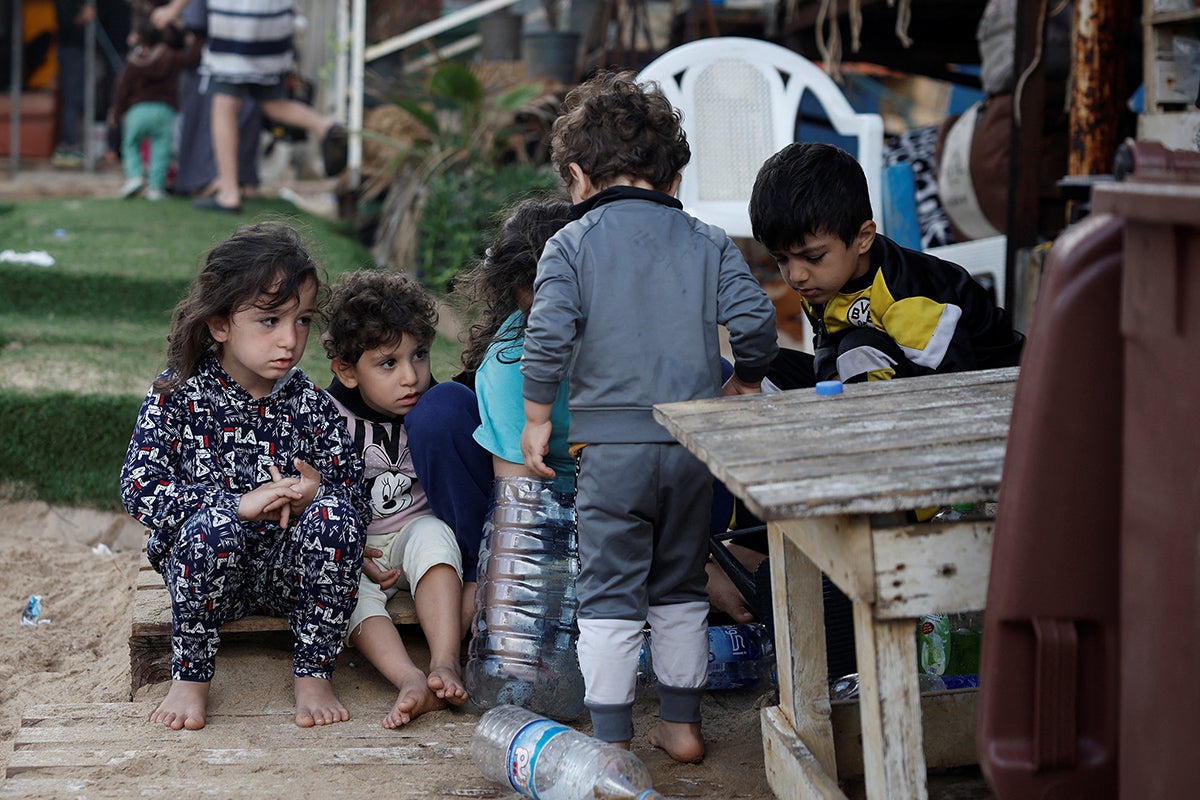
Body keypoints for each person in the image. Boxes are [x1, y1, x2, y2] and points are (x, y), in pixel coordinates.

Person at [518, 71, 779, 763]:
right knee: (680, 584)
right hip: (690, 449)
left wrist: (539, 416)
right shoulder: (707, 240)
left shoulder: (570, 247)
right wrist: (745, 382)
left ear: (577, 176)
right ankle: (685, 726)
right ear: (672, 178)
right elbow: (755, 323)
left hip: (613, 453)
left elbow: (546, 338)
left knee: (608, 591)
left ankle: (611, 736)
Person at [119, 221, 369, 731]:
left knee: (338, 515)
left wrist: (316, 493)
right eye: (269, 320)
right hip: (206, 577)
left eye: (301, 321)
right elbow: (139, 488)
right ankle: (189, 678)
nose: (289, 339)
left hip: (288, 575)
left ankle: (315, 675)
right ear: (218, 325)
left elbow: (355, 497)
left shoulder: (311, 404)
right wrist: (235, 504)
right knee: (215, 529)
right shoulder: (177, 394)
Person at [321, 269, 469, 728]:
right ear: (347, 370)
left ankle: (445, 661)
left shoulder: (433, 409)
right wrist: (348, 545)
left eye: (419, 355)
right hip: (358, 546)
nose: (411, 377)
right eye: (388, 363)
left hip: (412, 535)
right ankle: (409, 678)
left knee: (436, 537)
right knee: (347, 591)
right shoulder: (327, 416)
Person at [749, 141, 1024, 385]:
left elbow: (954, 380)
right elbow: (827, 340)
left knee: (858, 349)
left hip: (992, 387)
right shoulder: (821, 283)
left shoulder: (906, 295)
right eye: (781, 259)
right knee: (763, 366)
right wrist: (830, 372)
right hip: (889, 373)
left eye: (813, 257)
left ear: (863, 238)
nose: (796, 275)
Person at [150, 0, 347, 213]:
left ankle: (229, 193)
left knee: (223, 105)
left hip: (236, 25)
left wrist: (173, 9)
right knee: (271, 101)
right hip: (273, 24)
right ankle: (324, 126)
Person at [110, 16, 201, 200]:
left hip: (138, 110)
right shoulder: (170, 57)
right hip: (164, 110)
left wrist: (116, 112)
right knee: (161, 149)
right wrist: (199, 38)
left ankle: (135, 176)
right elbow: (192, 59)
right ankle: (156, 188)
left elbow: (122, 89)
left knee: (130, 144)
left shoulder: (133, 62)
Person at [50, 0, 96, 168]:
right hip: (70, 50)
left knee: (81, 98)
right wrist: (83, 17)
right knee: (73, 98)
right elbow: (65, 23)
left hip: (83, 51)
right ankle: (72, 144)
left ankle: (73, 143)